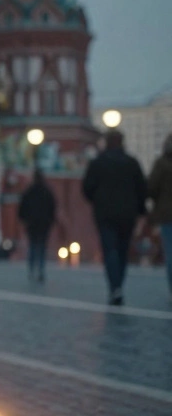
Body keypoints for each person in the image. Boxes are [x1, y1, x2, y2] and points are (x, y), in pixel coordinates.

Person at [83, 129, 147, 306]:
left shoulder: (98, 163)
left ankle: (114, 287)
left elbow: (87, 188)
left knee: (110, 249)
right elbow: (142, 189)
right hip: (128, 214)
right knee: (122, 250)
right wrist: (141, 211)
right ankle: (119, 285)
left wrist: (97, 201)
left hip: (105, 214)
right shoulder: (132, 163)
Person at [17, 169, 56, 284]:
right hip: (44, 224)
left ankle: (32, 270)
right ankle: (40, 270)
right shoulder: (47, 192)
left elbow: (22, 208)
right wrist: (50, 220)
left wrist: (24, 220)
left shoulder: (29, 192)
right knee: (42, 247)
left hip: (32, 224)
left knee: (33, 246)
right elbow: (52, 208)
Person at [146, 133, 172, 294]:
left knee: (170, 254)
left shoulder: (161, 164)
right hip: (166, 214)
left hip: (167, 215)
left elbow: (151, 188)